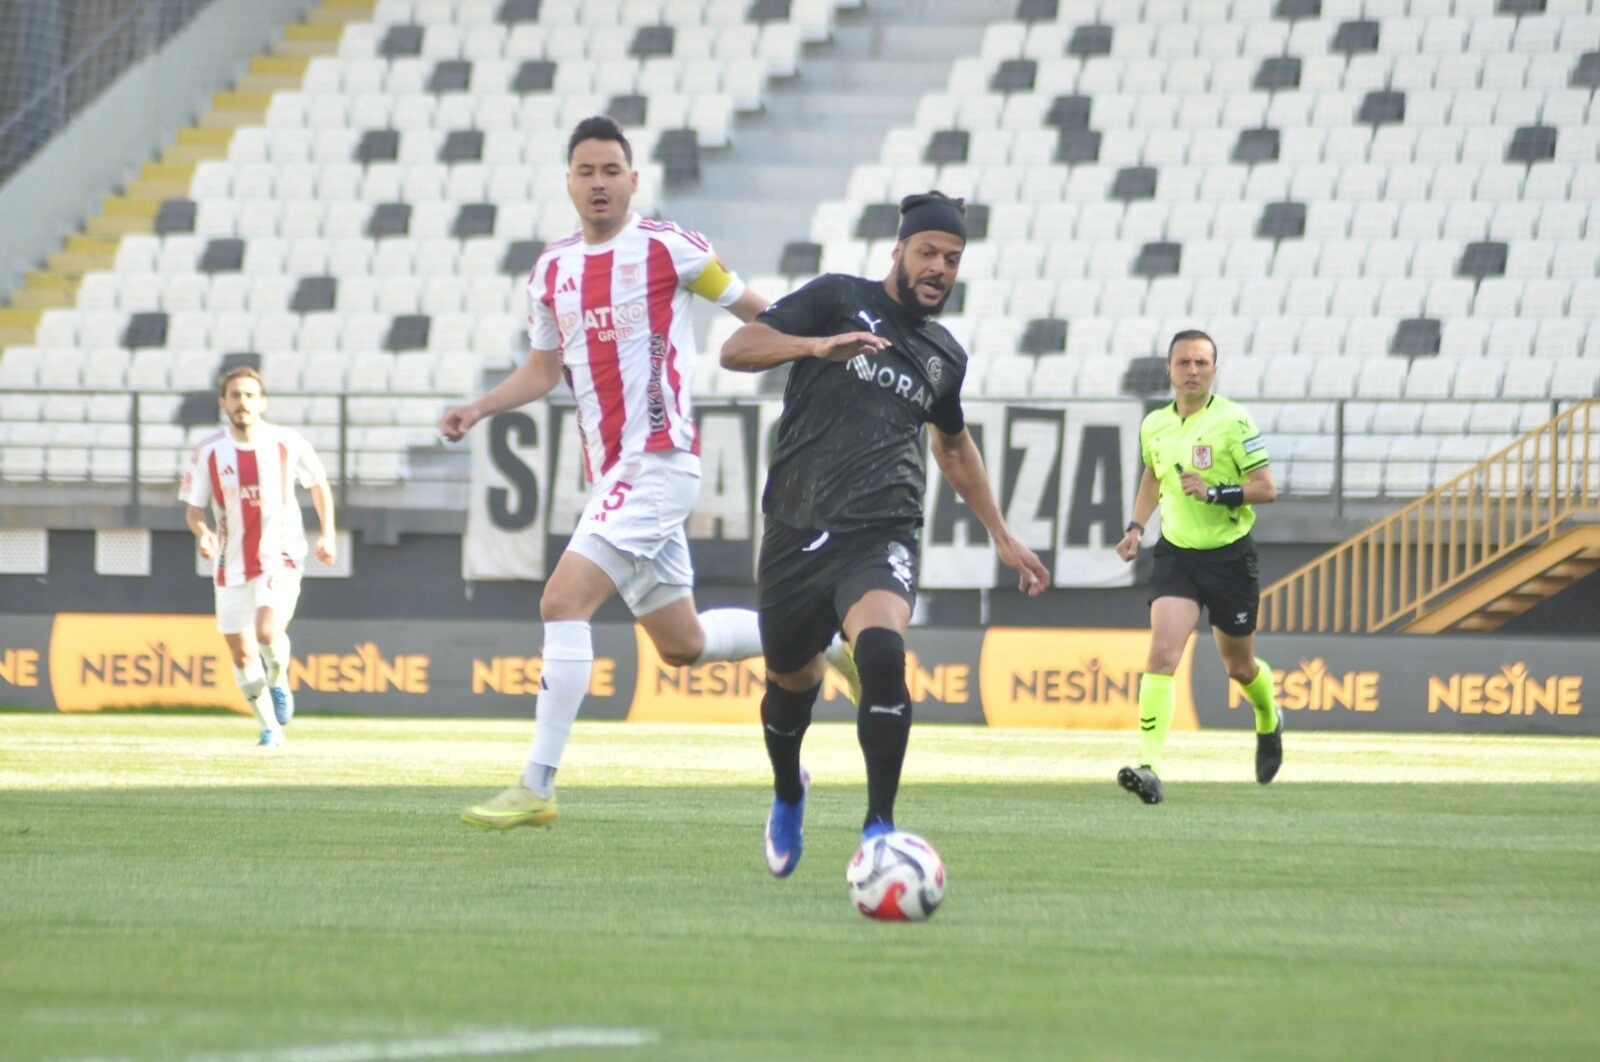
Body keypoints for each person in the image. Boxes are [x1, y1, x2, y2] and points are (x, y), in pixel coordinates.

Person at [442, 116, 773, 830]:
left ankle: (537, 785)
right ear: (568, 181)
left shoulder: (670, 248)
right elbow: (543, 369)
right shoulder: (551, 270)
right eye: (586, 171)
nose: (599, 183)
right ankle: (817, 636)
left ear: (633, 180)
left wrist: (819, 346)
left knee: (562, 602)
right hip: (614, 472)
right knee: (682, 645)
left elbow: (757, 310)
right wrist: (479, 407)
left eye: (611, 170)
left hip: (659, 460)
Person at [721, 191, 1051, 877]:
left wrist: (1000, 533)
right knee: (789, 688)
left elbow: (953, 447)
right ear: (899, 251)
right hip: (796, 526)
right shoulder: (838, 298)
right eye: (928, 252)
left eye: (952, 259)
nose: (939, 268)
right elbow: (737, 349)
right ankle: (789, 789)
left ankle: (880, 830)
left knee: (879, 653)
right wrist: (816, 346)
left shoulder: (943, 356)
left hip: (882, 530)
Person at [1112, 329, 1281, 805]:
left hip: (1230, 558)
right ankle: (1150, 767)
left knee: (1239, 667)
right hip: (1178, 555)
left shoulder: (1234, 421)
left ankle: (1268, 717)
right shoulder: (1154, 425)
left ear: (1214, 370)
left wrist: (1215, 493)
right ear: (1168, 369)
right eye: (1183, 362)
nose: (1192, 370)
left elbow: (1266, 488)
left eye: (1201, 363)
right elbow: (1153, 474)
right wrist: (1136, 526)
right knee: (1162, 655)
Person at [182, 366, 336, 747]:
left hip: (280, 556)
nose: (243, 402)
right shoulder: (208, 452)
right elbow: (194, 508)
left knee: (267, 631)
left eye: (250, 395)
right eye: (235, 396)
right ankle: (271, 729)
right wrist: (203, 533)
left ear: (262, 402)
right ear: (223, 403)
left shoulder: (287, 442)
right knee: (242, 654)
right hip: (230, 564)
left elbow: (319, 485)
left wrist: (328, 534)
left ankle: (278, 678)